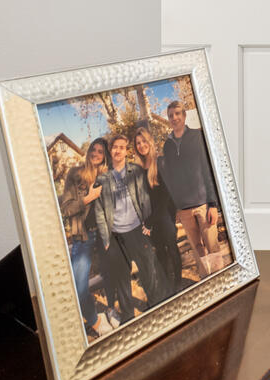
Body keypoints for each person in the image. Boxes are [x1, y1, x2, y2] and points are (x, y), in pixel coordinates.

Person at [90, 131, 160, 322]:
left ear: (126, 151)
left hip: (137, 230)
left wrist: (147, 224)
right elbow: (100, 212)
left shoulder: (135, 171)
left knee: (148, 270)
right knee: (122, 279)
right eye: (115, 147)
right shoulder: (103, 179)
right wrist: (106, 238)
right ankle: (128, 316)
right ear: (110, 150)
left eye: (122, 147)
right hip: (116, 235)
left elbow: (144, 199)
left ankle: (156, 306)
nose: (118, 151)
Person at [159, 100, 226, 277]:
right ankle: (206, 280)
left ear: (184, 115)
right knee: (198, 250)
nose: (174, 118)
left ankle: (220, 280)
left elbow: (207, 169)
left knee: (212, 247)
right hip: (183, 209)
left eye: (177, 114)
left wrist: (213, 204)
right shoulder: (167, 146)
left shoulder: (197, 136)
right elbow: (171, 179)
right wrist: (175, 208)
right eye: (171, 115)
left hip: (203, 204)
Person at [58, 137, 112, 337]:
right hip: (84, 235)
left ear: (104, 156)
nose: (96, 154)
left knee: (113, 274)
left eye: (100, 151)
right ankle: (95, 322)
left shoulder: (106, 175)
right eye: (93, 150)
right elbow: (67, 208)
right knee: (79, 286)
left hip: (105, 233)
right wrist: (89, 197)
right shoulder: (75, 174)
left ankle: (110, 311)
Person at [133, 124, 185, 299]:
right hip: (149, 218)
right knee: (160, 252)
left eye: (144, 141)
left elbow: (166, 195)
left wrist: (150, 221)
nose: (141, 145)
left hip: (163, 216)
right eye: (138, 143)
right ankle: (168, 287)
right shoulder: (138, 169)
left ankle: (178, 283)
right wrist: (145, 220)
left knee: (172, 248)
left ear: (149, 142)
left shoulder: (160, 162)